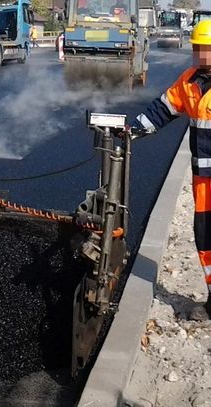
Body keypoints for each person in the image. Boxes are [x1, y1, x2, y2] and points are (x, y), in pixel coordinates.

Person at [132, 20, 211, 320]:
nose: (201, 55)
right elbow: (164, 109)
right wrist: (134, 128)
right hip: (203, 179)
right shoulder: (190, 81)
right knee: (205, 238)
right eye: (198, 49)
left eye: (207, 50)